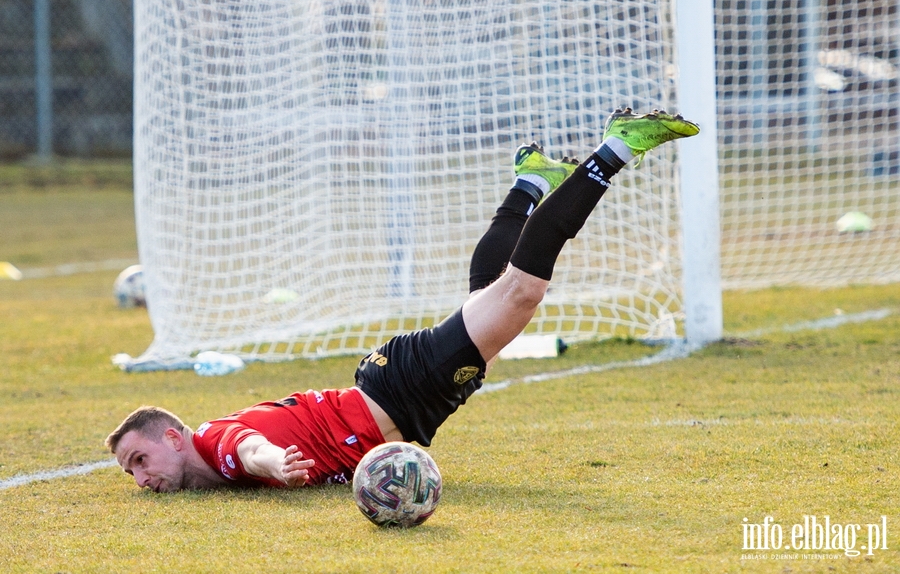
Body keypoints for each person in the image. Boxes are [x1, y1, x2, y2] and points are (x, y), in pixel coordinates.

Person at [106, 108, 700, 492]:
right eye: (131, 471)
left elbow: (250, 448)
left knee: (520, 291)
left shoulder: (215, 443)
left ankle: (615, 150)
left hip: (396, 389)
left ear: (173, 437)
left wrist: (273, 465)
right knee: (492, 299)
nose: (140, 477)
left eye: (139, 459)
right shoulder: (209, 471)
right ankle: (531, 182)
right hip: (398, 396)